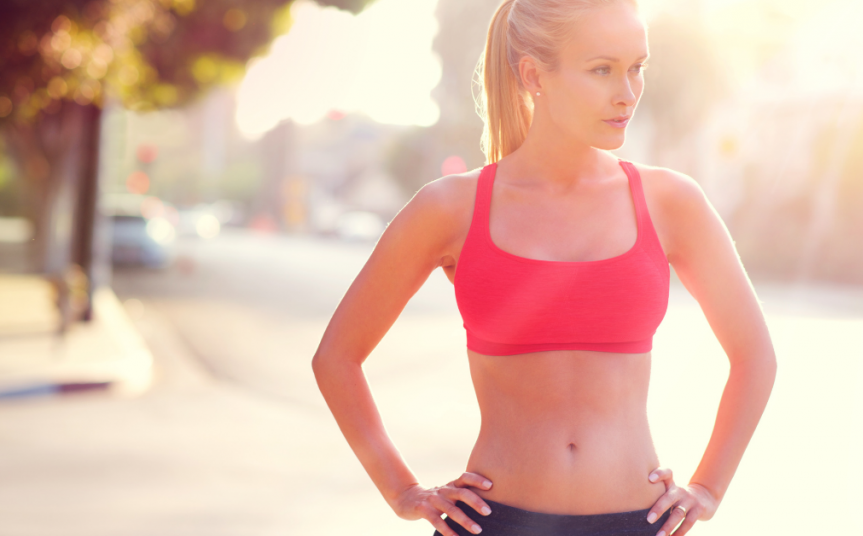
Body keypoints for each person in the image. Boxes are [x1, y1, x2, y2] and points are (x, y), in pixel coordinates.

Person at [311, 0, 777, 535]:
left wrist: (709, 487)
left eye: (637, 67)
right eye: (602, 69)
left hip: (635, 523)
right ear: (534, 75)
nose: (627, 92)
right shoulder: (449, 208)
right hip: (493, 523)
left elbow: (754, 355)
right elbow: (337, 358)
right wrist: (402, 490)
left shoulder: (672, 202)